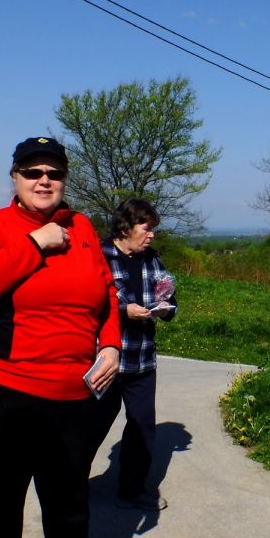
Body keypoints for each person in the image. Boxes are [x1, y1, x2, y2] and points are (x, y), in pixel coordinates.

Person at [0, 136, 121, 538]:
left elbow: (107, 293)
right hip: (6, 396)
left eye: (54, 173)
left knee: (70, 516)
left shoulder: (82, 227)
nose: (44, 180)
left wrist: (111, 345)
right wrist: (36, 243)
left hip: (74, 400)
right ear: (14, 178)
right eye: (32, 172)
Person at [96, 198, 178, 511]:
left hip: (142, 358)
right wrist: (121, 310)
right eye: (147, 227)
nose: (152, 234)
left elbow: (168, 295)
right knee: (90, 427)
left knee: (142, 426)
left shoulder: (152, 259)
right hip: (104, 360)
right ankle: (70, 484)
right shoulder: (99, 255)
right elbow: (89, 301)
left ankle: (132, 490)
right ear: (126, 226)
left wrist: (166, 308)